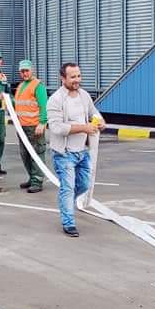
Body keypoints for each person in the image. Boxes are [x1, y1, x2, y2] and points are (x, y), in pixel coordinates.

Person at [46, 63, 105, 238]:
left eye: (78, 76)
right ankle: (68, 223)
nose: (77, 80)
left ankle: (66, 203)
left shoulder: (84, 95)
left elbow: (94, 113)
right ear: (62, 78)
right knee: (68, 187)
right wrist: (84, 128)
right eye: (72, 77)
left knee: (84, 184)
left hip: (83, 152)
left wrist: (101, 122)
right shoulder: (55, 100)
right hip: (64, 153)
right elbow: (57, 128)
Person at [13, 60, 48, 193]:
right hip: (22, 127)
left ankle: (37, 181)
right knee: (25, 155)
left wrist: (42, 123)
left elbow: (44, 105)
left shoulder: (38, 85)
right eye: (22, 71)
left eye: (26, 71)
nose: (24, 73)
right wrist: (7, 98)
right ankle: (32, 177)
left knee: (36, 154)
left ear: (31, 70)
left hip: (34, 126)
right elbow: (19, 103)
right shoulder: (21, 85)